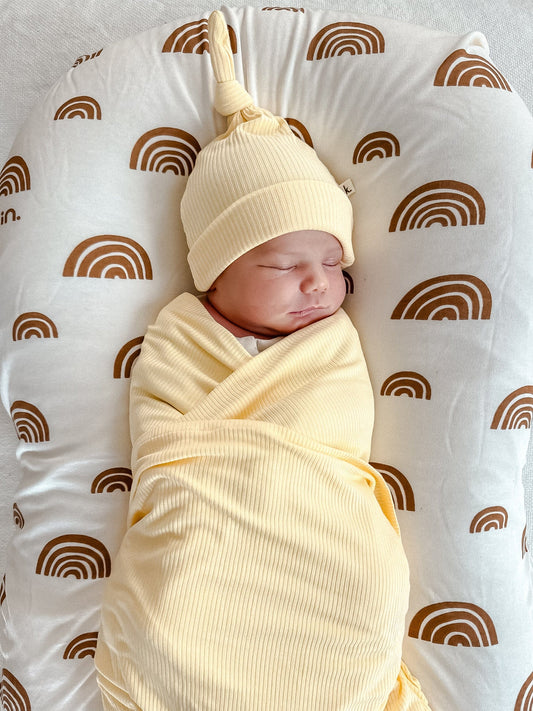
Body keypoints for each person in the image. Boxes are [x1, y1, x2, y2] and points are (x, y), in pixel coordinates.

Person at [94, 10, 431, 710]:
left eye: (333, 263)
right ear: (216, 272)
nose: (318, 285)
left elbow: (337, 436)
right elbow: (164, 447)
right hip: (205, 524)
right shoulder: (179, 335)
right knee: (168, 619)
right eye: (283, 264)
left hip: (323, 534)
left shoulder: (332, 344)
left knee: (365, 590)